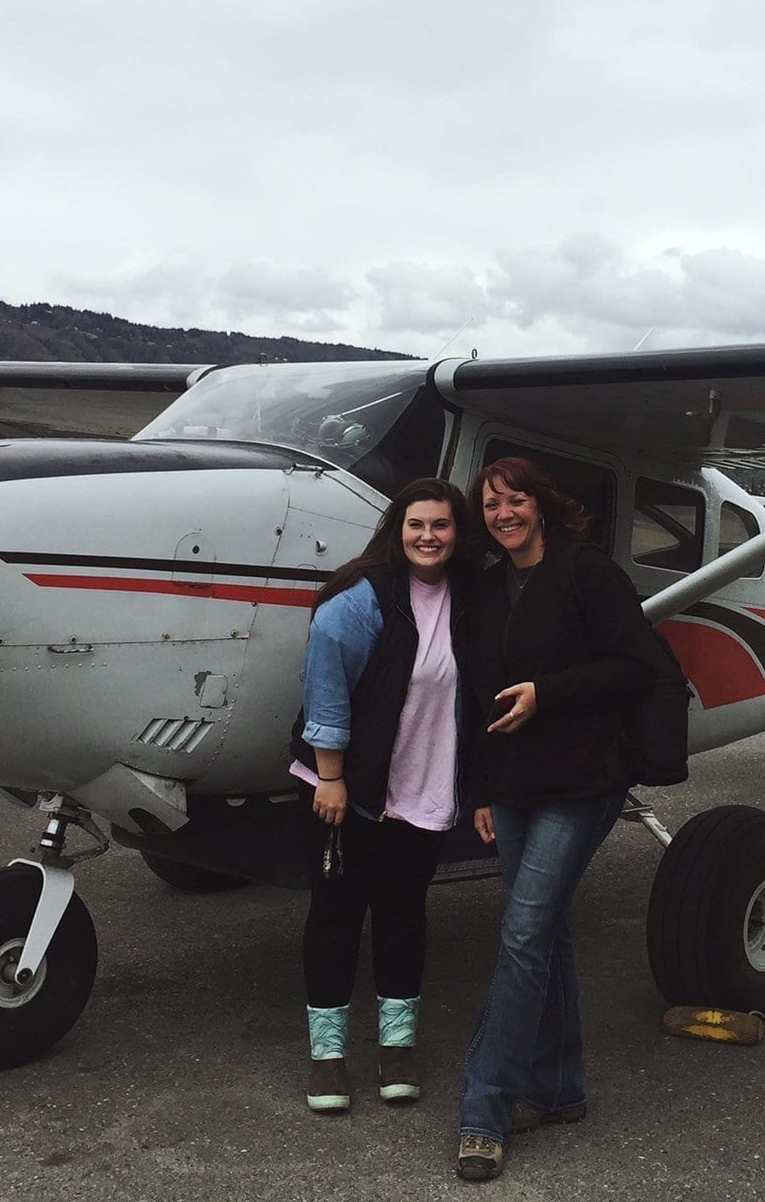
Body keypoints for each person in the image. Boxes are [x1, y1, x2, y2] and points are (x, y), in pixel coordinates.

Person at [454, 456, 688, 1182]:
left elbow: (640, 667)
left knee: (523, 933)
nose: (502, 514)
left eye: (515, 500)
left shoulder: (590, 573)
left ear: (543, 505)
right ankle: (559, 1092)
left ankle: (485, 1111)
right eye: (490, 504)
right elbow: (477, 696)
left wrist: (548, 694)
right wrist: (481, 792)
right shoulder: (488, 589)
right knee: (545, 932)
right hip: (516, 783)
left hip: (584, 781)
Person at [289, 476, 475, 1114]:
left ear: (457, 534)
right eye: (417, 524)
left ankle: (397, 1047)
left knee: (403, 915)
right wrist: (331, 775)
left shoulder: (467, 598)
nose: (429, 537)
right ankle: (328, 1056)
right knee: (336, 917)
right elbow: (326, 685)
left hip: (424, 788)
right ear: (398, 529)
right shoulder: (360, 598)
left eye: (442, 525)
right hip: (351, 789)